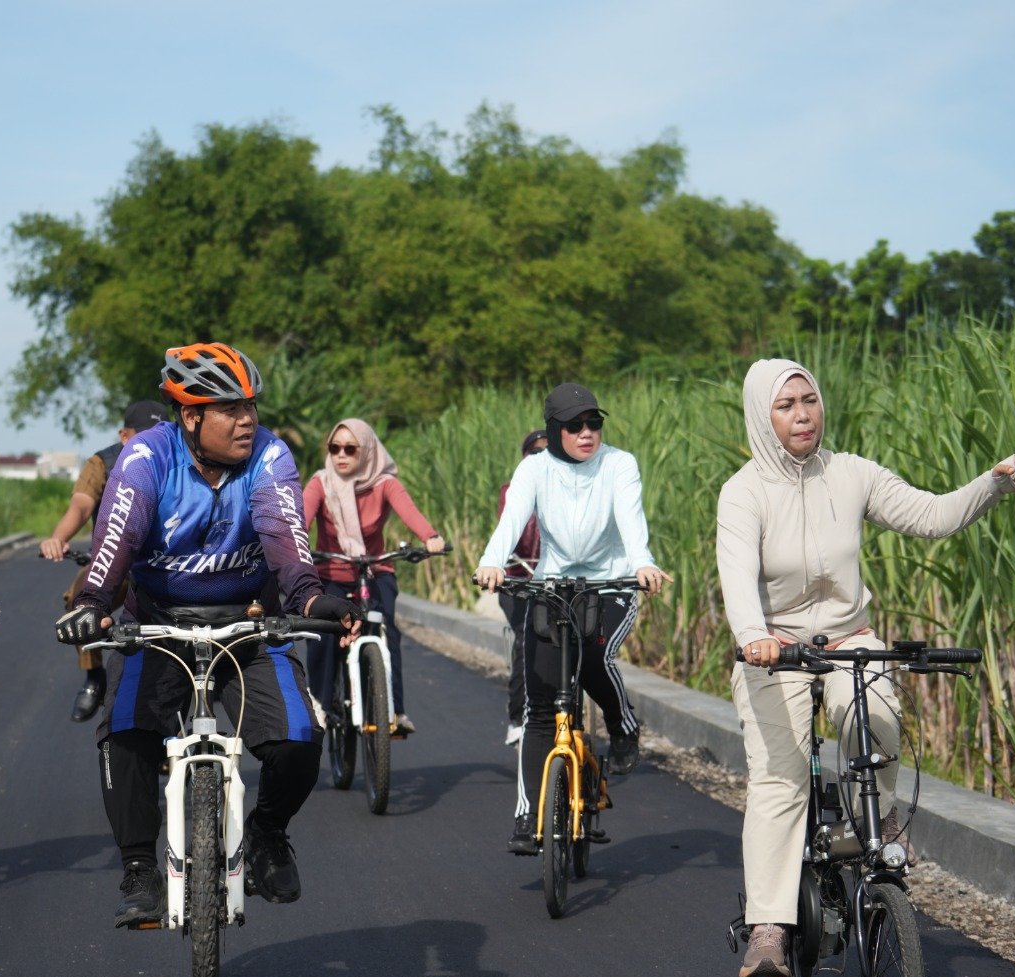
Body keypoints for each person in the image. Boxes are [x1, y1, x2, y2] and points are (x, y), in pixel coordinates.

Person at [716, 357, 1015, 977]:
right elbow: (737, 577)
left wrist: (996, 480)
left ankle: (881, 816)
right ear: (763, 417)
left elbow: (931, 516)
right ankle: (769, 926)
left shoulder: (851, 474)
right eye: (785, 406)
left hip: (847, 637)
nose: (802, 415)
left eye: (809, 400)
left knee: (876, 720)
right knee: (779, 779)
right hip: (774, 646)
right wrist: (753, 638)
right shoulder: (743, 493)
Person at [55, 342, 361, 928]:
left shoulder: (270, 457)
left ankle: (268, 834)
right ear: (190, 416)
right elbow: (114, 541)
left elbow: (287, 547)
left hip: (248, 622)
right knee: (125, 732)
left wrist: (314, 598)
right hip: (157, 622)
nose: (248, 419)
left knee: (299, 738)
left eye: (251, 406)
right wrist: (94, 603)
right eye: (231, 409)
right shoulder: (146, 458)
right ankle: (141, 868)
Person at [475, 383, 671, 855]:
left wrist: (641, 563)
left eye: (594, 423)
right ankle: (528, 816)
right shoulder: (534, 469)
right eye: (575, 426)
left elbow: (630, 517)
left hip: (612, 584)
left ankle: (622, 725)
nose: (587, 433)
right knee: (540, 708)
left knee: (594, 653)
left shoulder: (619, 464)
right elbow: (513, 518)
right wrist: (492, 561)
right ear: (554, 430)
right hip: (553, 584)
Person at [302, 419, 445, 736]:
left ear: (365, 452)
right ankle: (320, 705)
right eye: (334, 448)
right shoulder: (321, 483)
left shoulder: (383, 484)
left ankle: (395, 709)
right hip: (332, 571)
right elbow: (302, 518)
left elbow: (410, 513)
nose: (341, 455)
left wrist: (430, 537)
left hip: (375, 568)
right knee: (324, 633)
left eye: (350, 449)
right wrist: (292, 545)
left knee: (387, 628)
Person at [39, 399, 170, 722]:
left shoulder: (179, 459)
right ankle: (93, 673)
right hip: (116, 561)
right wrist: (59, 537)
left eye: (161, 434)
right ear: (125, 436)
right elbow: (82, 506)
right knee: (81, 600)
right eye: (143, 435)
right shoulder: (103, 463)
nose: (152, 443)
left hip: (167, 564)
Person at [497, 428, 547, 746]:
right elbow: (510, 526)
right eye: (535, 452)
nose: (542, 457)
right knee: (526, 639)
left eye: (548, 451)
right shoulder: (513, 490)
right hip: (519, 576)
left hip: (556, 580)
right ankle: (517, 717)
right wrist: (502, 557)